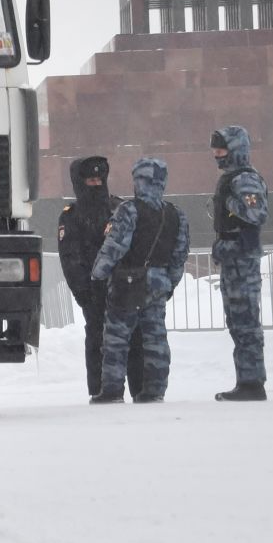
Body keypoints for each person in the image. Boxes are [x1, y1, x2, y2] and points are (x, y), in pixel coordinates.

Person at [87, 156, 188, 404]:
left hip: (127, 283)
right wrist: (169, 282)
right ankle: (154, 390)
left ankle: (111, 390)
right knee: (155, 339)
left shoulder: (128, 210)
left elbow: (115, 247)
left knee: (117, 339)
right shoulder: (175, 214)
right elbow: (179, 254)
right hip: (158, 282)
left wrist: (98, 274)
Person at [56, 156, 145, 399]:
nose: (96, 184)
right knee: (97, 339)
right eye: (90, 179)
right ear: (79, 182)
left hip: (125, 286)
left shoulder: (119, 208)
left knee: (135, 338)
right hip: (94, 290)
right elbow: (69, 257)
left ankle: (142, 390)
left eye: (99, 179)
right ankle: (101, 390)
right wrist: (82, 292)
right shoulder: (71, 216)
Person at [210, 124, 271, 402]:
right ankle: (246, 380)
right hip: (233, 259)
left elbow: (255, 212)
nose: (217, 155)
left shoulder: (244, 179)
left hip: (242, 261)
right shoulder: (233, 178)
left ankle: (252, 384)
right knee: (237, 322)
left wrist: (229, 203)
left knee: (246, 322)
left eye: (221, 150)